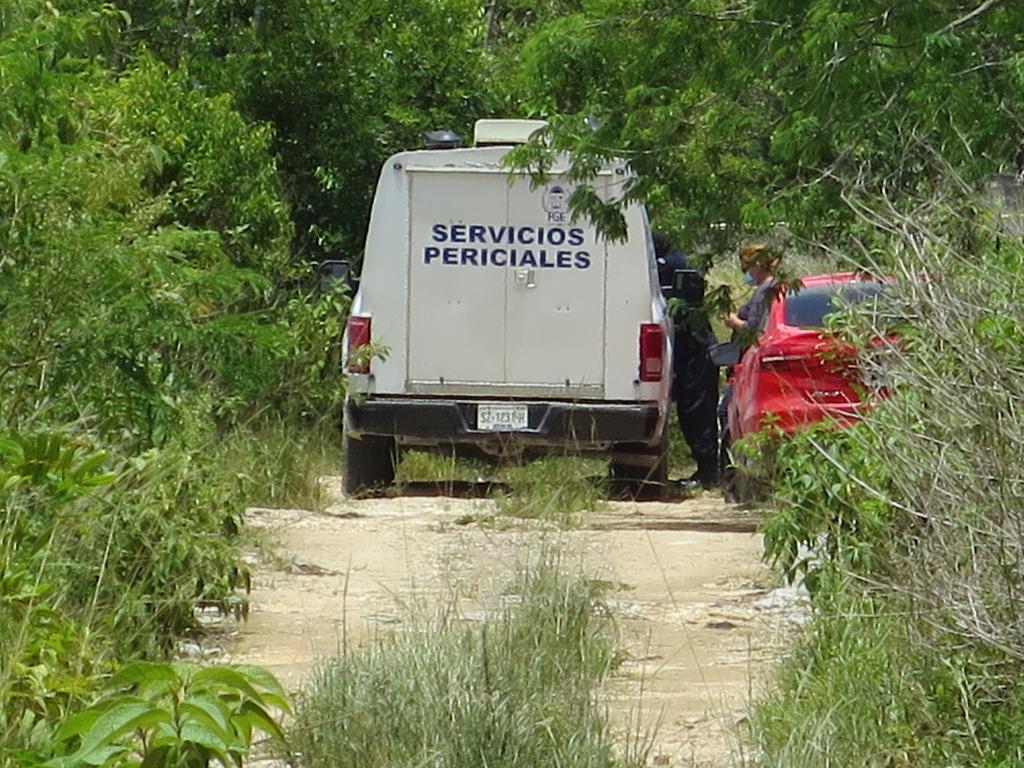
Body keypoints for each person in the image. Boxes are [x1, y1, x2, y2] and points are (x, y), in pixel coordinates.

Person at [653, 231, 720, 489]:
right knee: (693, 411)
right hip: (688, 346)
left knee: (697, 411)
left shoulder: (670, 264)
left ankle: (708, 472)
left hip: (694, 348)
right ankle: (706, 469)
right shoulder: (676, 261)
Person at [717, 242, 782, 475]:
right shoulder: (773, 288)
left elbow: (753, 328)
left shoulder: (764, 291)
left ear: (757, 264)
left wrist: (731, 321)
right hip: (747, 361)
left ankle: (733, 470)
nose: (745, 273)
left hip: (749, 364)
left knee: (728, 411)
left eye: (747, 267)